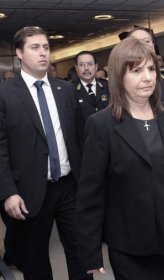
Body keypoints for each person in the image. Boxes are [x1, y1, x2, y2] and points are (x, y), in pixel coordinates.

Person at [75, 37, 164, 279]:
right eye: (137, 71)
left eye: (151, 69)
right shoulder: (101, 125)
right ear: (118, 76)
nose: (147, 77)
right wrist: (90, 252)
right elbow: (90, 194)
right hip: (131, 245)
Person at [0, 26, 89, 280]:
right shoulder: (5, 94)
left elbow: (80, 138)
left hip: (70, 187)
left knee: (81, 252)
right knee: (36, 260)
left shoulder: (66, 90)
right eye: (35, 47)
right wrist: (8, 192)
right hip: (29, 190)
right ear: (19, 52)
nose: (43, 53)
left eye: (46, 47)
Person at [72, 51, 109, 123]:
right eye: (81, 65)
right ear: (76, 68)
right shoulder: (70, 90)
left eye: (90, 64)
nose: (86, 68)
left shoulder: (107, 85)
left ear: (96, 67)